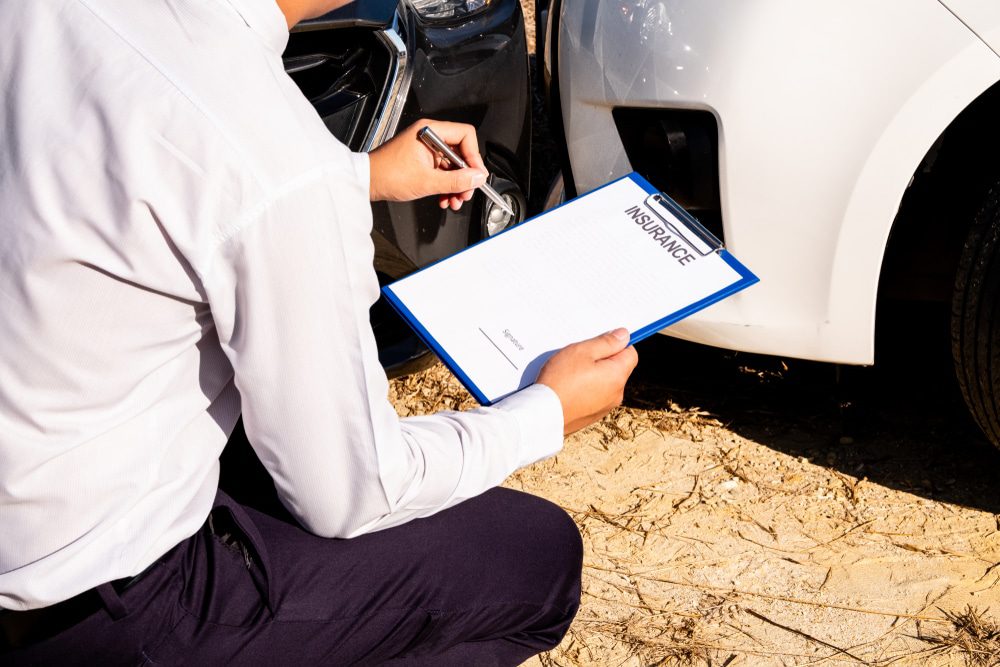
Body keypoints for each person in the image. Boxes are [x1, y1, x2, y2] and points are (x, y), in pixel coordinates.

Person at [0, 0, 638, 664]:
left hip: (38, 516)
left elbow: (157, 171)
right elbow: (350, 492)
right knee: (537, 560)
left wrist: (354, 178)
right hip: (100, 602)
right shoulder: (268, 152)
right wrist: (545, 413)